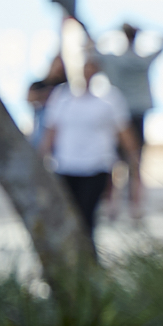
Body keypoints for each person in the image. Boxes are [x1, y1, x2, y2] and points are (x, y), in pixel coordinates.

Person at [39, 59, 135, 253]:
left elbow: (124, 132)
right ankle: (71, 256)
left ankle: (87, 258)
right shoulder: (62, 96)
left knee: (86, 214)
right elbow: (51, 131)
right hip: (66, 165)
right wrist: (41, 159)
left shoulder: (110, 98)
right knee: (67, 214)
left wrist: (133, 160)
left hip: (96, 165)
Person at [95, 19, 163, 218]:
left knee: (114, 163)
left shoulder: (113, 61)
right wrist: (147, 29)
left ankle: (112, 206)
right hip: (135, 115)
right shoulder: (142, 61)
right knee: (135, 162)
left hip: (118, 115)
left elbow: (91, 48)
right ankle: (135, 207)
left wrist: (110, 30)